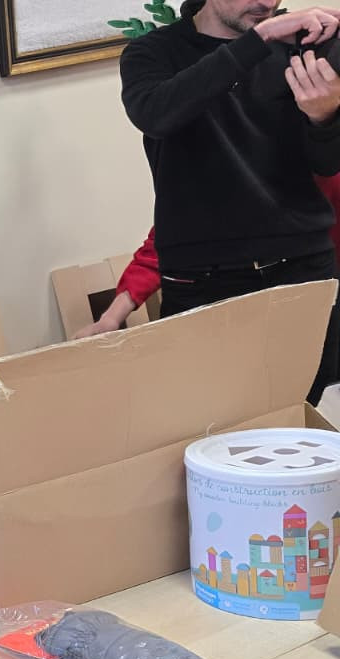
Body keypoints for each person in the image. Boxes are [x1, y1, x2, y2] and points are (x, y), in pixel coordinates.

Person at [117, 0, 340, 403]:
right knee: (206, 420)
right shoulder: (152, 53)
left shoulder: (303, 44)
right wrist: (261, 38)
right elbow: (156, 114)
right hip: (202, 280)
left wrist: (324, 117)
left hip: (303, 266)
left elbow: (327, 163)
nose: (267, 3)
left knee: (299, 417)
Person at [76, 172, 340, 339]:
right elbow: (165, 245)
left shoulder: (322, 168)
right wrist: (111, 317)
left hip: (314, 297)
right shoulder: (236, 179)